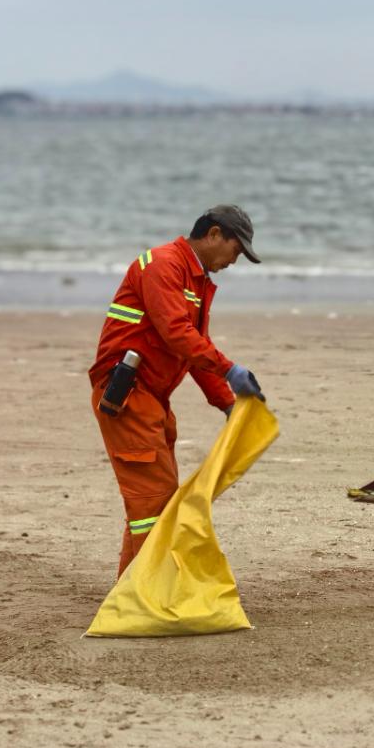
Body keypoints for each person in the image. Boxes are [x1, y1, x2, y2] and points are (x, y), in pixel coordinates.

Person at [89, 205, 266, 577]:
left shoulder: (196, 277)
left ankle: (135, 588)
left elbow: (194, 346)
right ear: (214, 234)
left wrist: (227, 403)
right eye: (237, 251)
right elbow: (177, 334)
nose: (235, 261)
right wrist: (229, 369)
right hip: (128, 396)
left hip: (151, 400)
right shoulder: (163, 265)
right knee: (153, 503)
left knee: (154, 503)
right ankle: (146, 593)